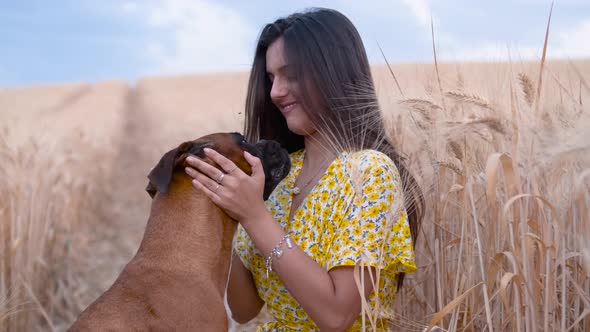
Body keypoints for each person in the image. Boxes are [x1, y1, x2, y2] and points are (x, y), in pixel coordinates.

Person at [185, 7, 424, 332]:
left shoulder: (368, 172)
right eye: (271, 78)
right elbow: (243, 308)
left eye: (291, 74)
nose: (275, 92)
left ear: (333, 72)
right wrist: (224, 213)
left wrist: (255, 216)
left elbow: (336, 315)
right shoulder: (278, 180)